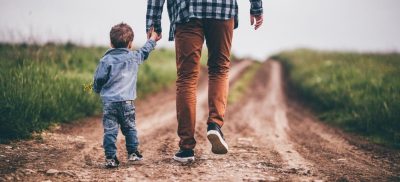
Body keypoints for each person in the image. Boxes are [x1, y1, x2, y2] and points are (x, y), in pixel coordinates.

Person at [146, 0, 263, 162]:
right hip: (222, 9)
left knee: (187, 78)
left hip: (187, 10)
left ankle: (186, 147)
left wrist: (153, 23)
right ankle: (215, 124)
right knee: (219, 69)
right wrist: (256, 7)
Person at [93, 23, 160, 168]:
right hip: (127, 103)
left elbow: (98, 79)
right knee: (130, 128)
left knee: (110, 131)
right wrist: (153, 39)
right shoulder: (134, 57)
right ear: (130, 44)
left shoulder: (105, 60)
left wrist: (96, 89)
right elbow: (145, 50)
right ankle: (133, 153)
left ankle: (110, 158)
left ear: (111, 43)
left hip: (110, 103)